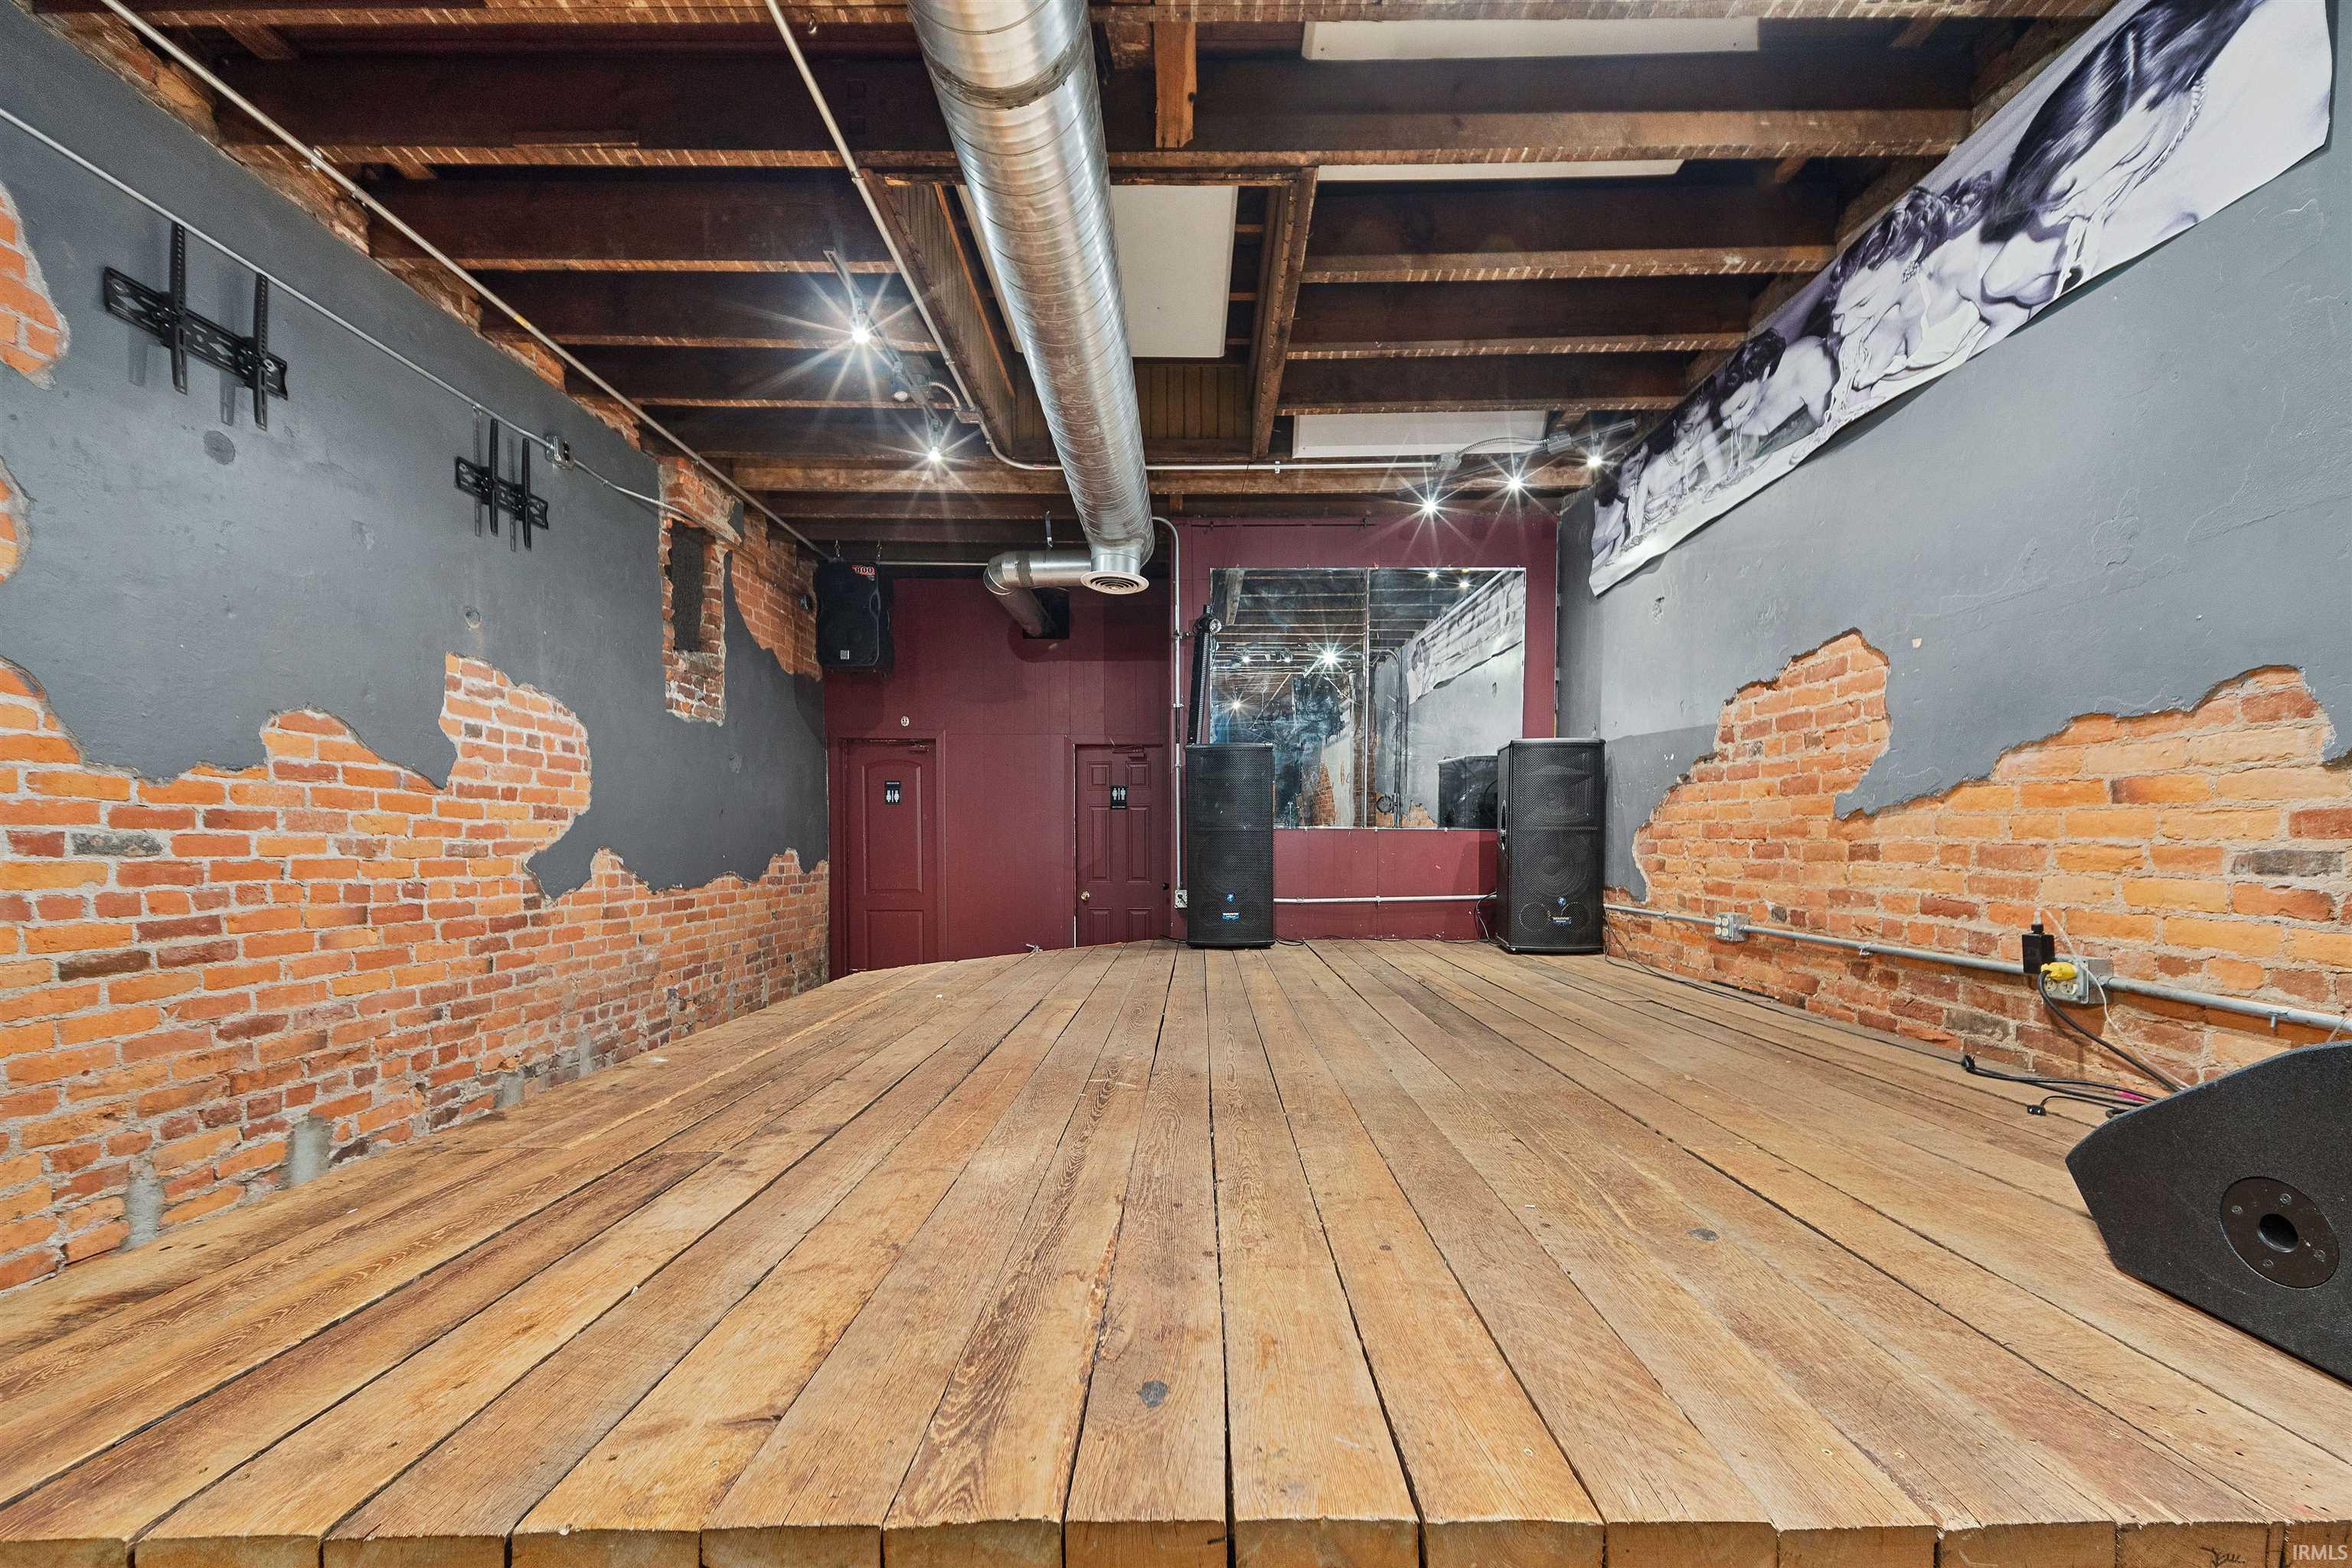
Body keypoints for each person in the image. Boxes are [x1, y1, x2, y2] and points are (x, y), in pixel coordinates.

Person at [1976, 0, 2283, 322]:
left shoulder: (2254, 61)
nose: (2061, 215)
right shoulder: (2100, 217)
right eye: (2054, 203)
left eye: (2066, 192)